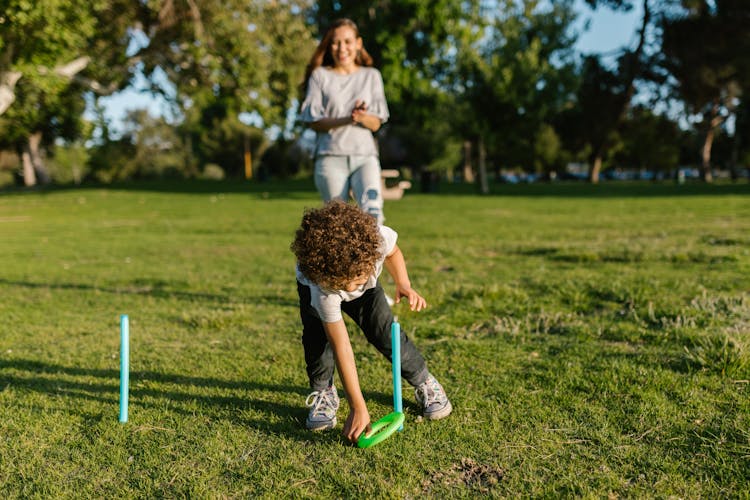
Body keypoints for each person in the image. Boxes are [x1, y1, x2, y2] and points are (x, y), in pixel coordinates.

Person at [291, 200, 452, 444]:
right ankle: (323, 391)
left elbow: (394, 252)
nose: (347, 289)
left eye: (353, 281)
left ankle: (424, 381)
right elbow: (342, 346)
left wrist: (404, 284)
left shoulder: (378, 240)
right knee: (318, 341)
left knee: (385, 333)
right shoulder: (324, 287)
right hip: (319, 287)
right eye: (342, 284)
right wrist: (358, 406)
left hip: (368, 291)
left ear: (368, 259)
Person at [299, 18, 389, 224]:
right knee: (337, 224)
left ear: (358, 43)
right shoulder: (320, 76)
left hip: (365, 156)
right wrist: (347, 119)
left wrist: (361, 116)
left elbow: (375, 124)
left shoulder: (371, 76)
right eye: (335, 42)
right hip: (331, 158)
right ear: (329, 45)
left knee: (373, 215)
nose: (342, 48)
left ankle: (379, 257)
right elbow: (314, 122)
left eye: (348, 42)